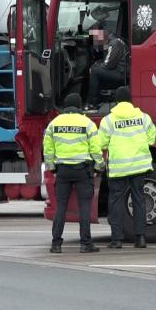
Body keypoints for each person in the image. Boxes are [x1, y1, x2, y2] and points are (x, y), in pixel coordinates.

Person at [43, 93, 104, 253]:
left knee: (60, 207)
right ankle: (85, 244)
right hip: (82, 171)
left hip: (62, 171)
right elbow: (95, 149)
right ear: (78, 107)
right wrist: (99, 167)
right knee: (84, 207)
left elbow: (48, 150)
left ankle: (56, 244)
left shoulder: (54, 124)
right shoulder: (87, 123)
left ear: (65, 106)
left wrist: (52, 168)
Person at [99, 87, 156, 249]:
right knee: (139, 200)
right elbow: (151, 137)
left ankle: (117, 239)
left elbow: (101, 143)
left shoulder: (108, 120)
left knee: (116, 201)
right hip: (139, 166)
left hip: (118, 168)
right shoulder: (143, 117)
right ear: (130, 100)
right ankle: (141, 238)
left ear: (116, 101)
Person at [86, 29, 127, 109]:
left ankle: (92, 102)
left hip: (120, 72)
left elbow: (109, 64)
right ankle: (98, 98)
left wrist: (96, 67)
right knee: (96, 69)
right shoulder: (116, 41)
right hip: (121, 70)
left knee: (94, 71)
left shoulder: (114, 43)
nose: (97, 44)